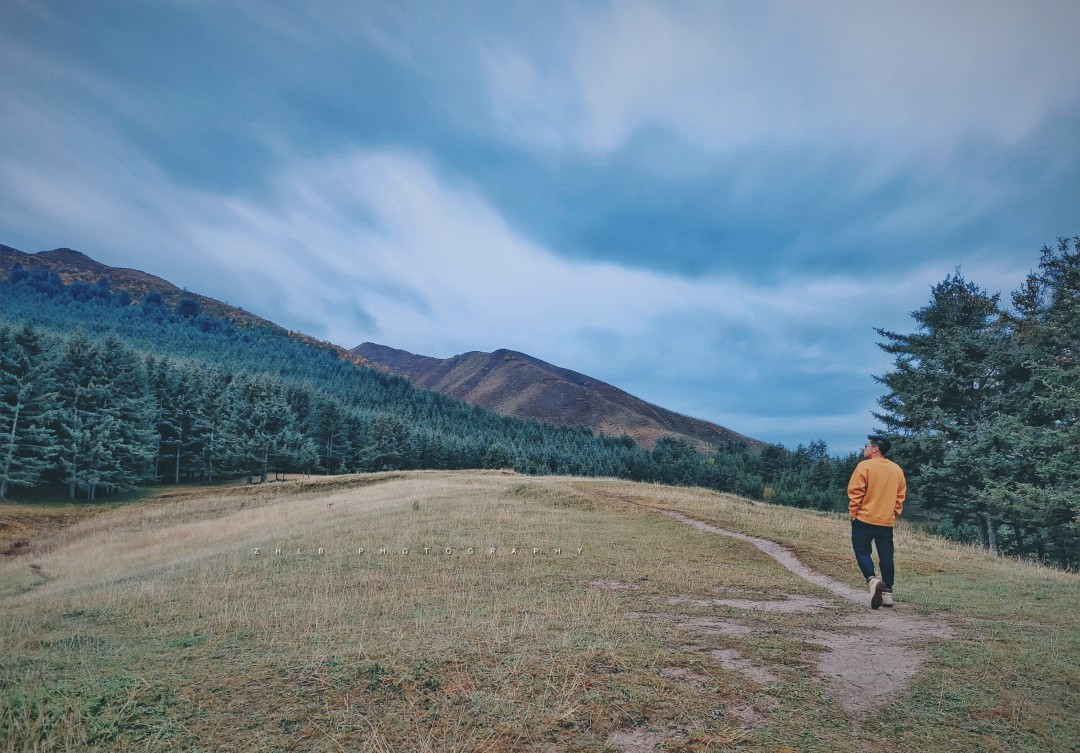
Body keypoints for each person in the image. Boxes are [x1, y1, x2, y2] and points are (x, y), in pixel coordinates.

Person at [848, 434, 906, 609]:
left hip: (864, 518)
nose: (864, 448)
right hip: (886, 522)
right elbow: (900, 496)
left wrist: (853, 512)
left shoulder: (864, 466)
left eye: (866, 445)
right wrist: (893, 514)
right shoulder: (897, 470)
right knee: (886, 556)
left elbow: (856, 491)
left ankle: (872, 581)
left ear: (875, 448)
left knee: (862, 551)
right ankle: (887, 594)